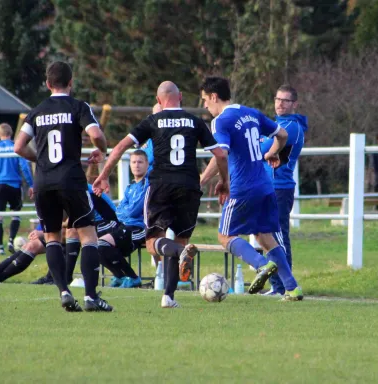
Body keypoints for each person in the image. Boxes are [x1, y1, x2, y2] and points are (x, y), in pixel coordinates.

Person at [92, 81, 229, 309]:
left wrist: (104, 175)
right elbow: (221, 155)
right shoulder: (195, 122)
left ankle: (178, 256)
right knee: (181, 238)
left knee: (154, 241)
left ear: (158, 100)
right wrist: (225, 182)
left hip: (161, 186)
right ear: (181, 96)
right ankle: (168, 296)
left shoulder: (153, 121)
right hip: (189, 186)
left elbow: (119, 148)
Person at [14, 61, 112, 312]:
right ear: (71, 82)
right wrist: (101, 151)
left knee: (52, 237)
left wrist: (41, 160)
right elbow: (97, 135)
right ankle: (91, 297)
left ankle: (64, 292)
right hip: (71, 180)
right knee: (88, 235)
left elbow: (19, 146)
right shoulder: (78, 106)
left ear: (48, 84)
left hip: (44, 182)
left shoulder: (36, 111)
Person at [199, 76, 303, 301]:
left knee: (225, 236)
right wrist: (274, 152)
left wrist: (208, 180)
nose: (205, 106)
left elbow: (221, 155)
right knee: (265, 236)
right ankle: (292, 288)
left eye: (205, 100)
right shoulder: (251, 113)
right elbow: (282, 135)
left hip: (243, 187)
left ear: (214, 97)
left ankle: (261, 264)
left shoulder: (221, 121)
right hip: (266, 186)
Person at [0, 185, 134, 286]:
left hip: (108, 225)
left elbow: (74, 222)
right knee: (34, 244)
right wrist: (42, 230)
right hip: (82, 227)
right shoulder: (57, 192)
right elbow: (57, 218)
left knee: (68, 233)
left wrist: (45, 231)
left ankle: (61, 278)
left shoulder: (77, 190)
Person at [259, 84, 308, 296]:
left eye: (285, 100)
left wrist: (263, 144)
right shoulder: (274, 125)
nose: (280, 103)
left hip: (280, 189)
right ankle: (277, 286)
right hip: (265, 187)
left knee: (279, 236)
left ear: (294, 104)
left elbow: (261, 148)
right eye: (277, 99)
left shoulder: (292, 127)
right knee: (266, 235)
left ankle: (288, 286)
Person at [103, 149, 150, 288]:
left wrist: (125, 212)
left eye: (140, 162)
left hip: (138, 229)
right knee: (95, 246)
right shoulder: (130, 187)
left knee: (103, 244)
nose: (137, 165)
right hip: (123, 226)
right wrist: (125, 212)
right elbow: (120, 211)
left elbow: (134, 211)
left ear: (147, 164)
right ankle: (119, 276)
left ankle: (133, 278)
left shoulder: (147, 185)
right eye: (134, 162)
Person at [0, 123, 34, 255]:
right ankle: (11, 241)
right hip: (14, 185)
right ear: (11, 134)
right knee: (15, 214)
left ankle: (0, 247)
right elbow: (25, 167)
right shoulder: (16, 146)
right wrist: (32, 184)